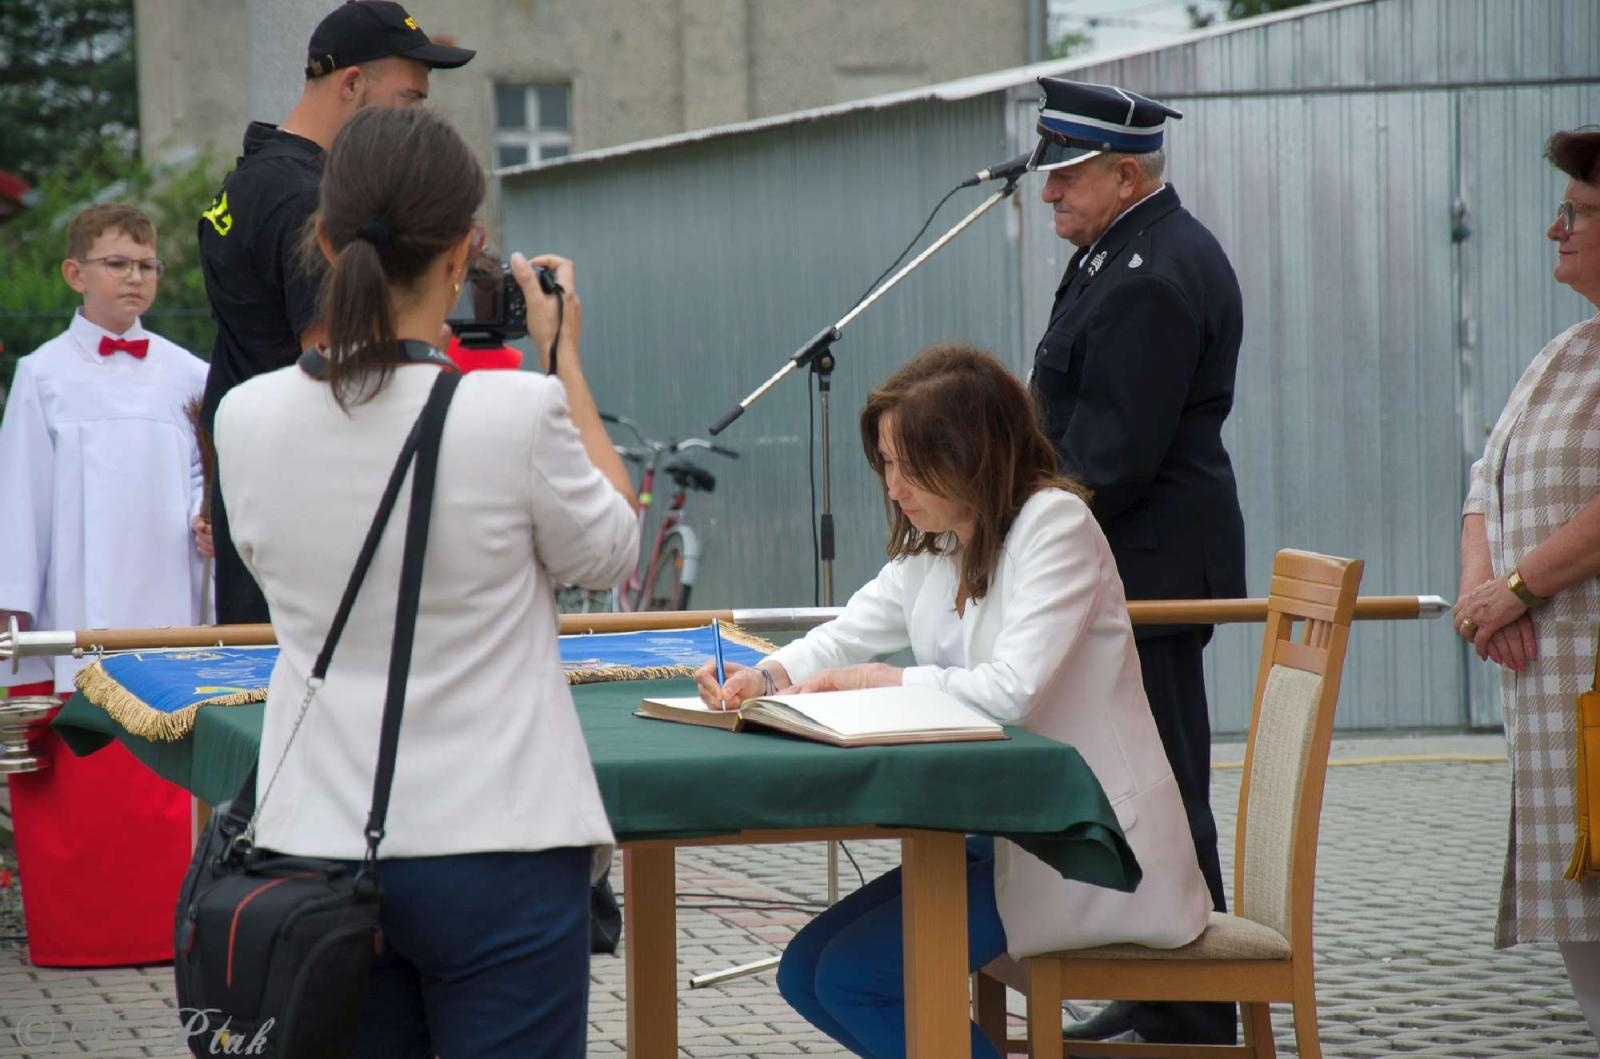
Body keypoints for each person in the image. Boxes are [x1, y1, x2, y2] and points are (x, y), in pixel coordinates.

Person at [213, 107, 638, 1055]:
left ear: (322, 240)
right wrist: (564, 354)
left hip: (315, 838)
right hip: (502, 842)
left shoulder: (241, 416)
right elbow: (611, 549)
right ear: (465, 252)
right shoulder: (514, 410)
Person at [693, 344, 1210, 1059]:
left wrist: (887, 682)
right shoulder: (942, 539)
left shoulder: (1055, 526)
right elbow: (850, 629)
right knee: (805, 972)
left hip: (1081, 844)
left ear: (971, 454)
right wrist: (767, 676)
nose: (895, 485)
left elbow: (1012, 691)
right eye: (887, 464)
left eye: (910, 464)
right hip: (998, 831)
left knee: (850, 980)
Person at [1022, 77, 1245, 1045]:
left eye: (1066, 175)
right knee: (1138, 780)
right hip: (1130, 560)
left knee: (1158, 782)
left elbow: (1111, 456)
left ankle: (1190, 1000)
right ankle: (1159, 983)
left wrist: (1010, 526)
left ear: (1124, 173)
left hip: (1143, 565)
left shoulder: (1150, 271)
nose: (1047, 193)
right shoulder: (1123, 249)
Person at [198, 0, 474, 624]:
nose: (418, 120)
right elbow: (343, 375)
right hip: (308, 512)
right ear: (351, 84)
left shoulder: (248, 180)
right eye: (410, 99)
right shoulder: (313, 201)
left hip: (253, 486)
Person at [0, 203, 209, 965]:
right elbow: (20, 491)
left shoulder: (193, 373)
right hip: (74, 609)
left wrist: (205, 515)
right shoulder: (43, 374)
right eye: (117, 262)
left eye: (147, 264)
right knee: (82, 787)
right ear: (75, 272)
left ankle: (169, 929)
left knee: (163, 784)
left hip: (168, 601)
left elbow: (201, 475)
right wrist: (12, 605)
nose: (135, 276)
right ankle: (83, 932)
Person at [1452, 126, 1600, 1034]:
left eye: (1579, 214)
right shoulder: (1567, 350)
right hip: (1560, 710)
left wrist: (1520, 586)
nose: (1557, 230)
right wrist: (1486, 594)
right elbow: (1486, 478)